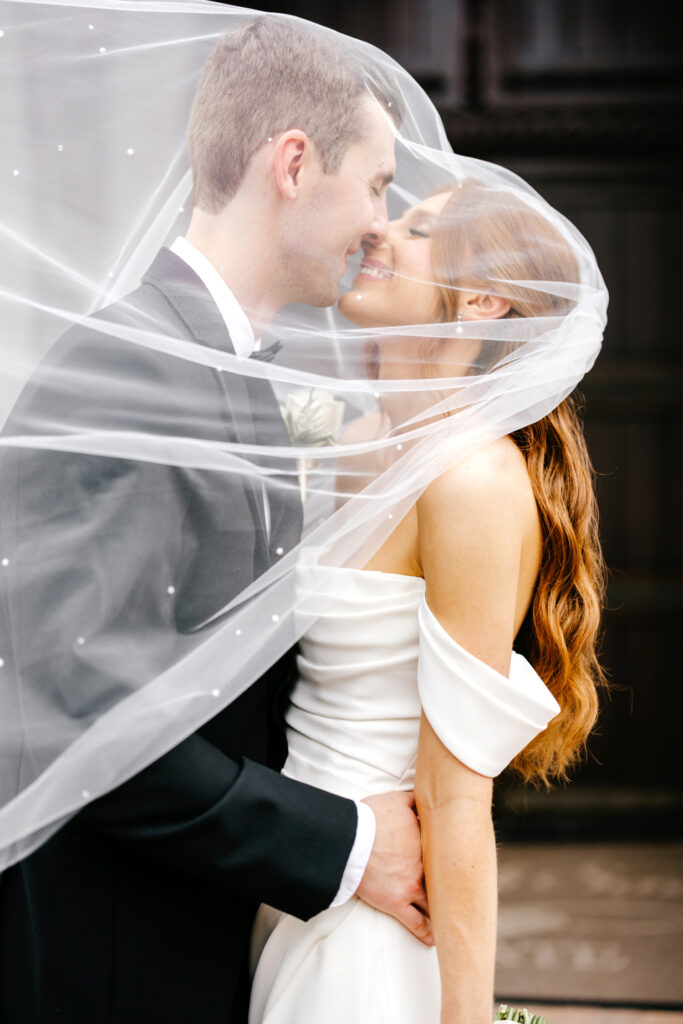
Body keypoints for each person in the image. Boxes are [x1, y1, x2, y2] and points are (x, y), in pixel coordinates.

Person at [0, 18, 431, 1024]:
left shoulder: (208, 363)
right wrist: (346, 845)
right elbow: (87, 715)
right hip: (105, 962)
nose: (380, 222)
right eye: (373, 184)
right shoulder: (128, 365)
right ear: (293, 163)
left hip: (198, 935)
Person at [248, 182, 606, 1023]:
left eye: (417, 229)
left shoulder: (471, 480)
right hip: (298, 874)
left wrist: (463, 1017)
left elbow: (454, 796)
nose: (379, 230)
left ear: (482, 298)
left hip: (376, 932)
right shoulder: (347, 443)